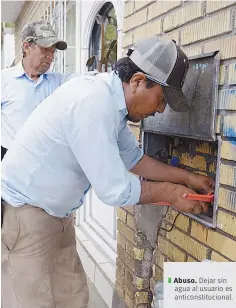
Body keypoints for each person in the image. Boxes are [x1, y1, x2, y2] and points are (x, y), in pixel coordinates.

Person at [1, 37, 214, 308]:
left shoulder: (111, 103)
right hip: (26, 215)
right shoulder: (93, 102)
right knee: (31, 302)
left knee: (72, 297)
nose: (160, 110)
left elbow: (134, 160)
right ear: (138, 81)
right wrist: (172, 193)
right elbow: (115, 189)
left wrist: (187, 177)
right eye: (160, 99)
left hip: (57, 216)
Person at [1, 20, 73, 159]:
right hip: (11, 164)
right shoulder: (4, 80)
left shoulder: (60, 82)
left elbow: (88, 80)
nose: (50, 56)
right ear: (27, 47)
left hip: (48, 165)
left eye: (53, 51)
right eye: (45, 49)